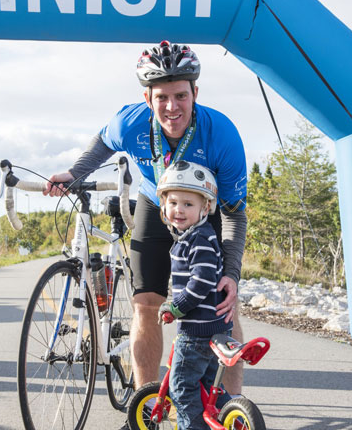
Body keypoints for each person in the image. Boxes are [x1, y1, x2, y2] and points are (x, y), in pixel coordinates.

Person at [43, 41, 248, 415]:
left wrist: (231, 274)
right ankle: (148, 405)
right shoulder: (130, 122)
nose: (172, 107)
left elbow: (234, 214)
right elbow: (103, 144)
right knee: (145, 305)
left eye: (181, 96)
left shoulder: (223, 135)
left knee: (222, 305)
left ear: (195, 93)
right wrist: (74, 173)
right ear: (147, 97)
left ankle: (230, 406)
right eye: (162, 98)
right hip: (156, 205)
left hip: (207, 212)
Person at [156, 161, 233, 430]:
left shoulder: (198, 239)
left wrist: (176, 307)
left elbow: (201, 282)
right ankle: (231, 418)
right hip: (215, 329)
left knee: (182, 387)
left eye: (188, 204)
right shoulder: (196, 236)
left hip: (197, 332)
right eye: (173, 202)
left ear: (205, 208)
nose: (179, 210)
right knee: (212, 387)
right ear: (164, 205)